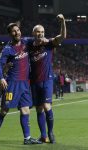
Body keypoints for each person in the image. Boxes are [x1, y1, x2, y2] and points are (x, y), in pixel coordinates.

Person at [0, 22, 42, 145]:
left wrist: (44, 37)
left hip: (25, 84)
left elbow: (37, 38)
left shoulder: (26, 42)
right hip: (12, 84)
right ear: (10, 34)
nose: (17, 32)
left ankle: (27, 138)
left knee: (25, 110)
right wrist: (1, 78)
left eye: (18, 30)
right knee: (4, 110)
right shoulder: (7, 49)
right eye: (14, 31)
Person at [28, 14, 66, 143]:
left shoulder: (49, 43)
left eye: (43, 32)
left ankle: (50, 133)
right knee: (38, 108)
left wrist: (63, 22)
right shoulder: (28, 45)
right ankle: (43, 136)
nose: (41, 34)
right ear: (33, 33)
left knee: (46, 105)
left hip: (47, 80)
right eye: (38, 32)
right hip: (34, 82)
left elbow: (62, 37)